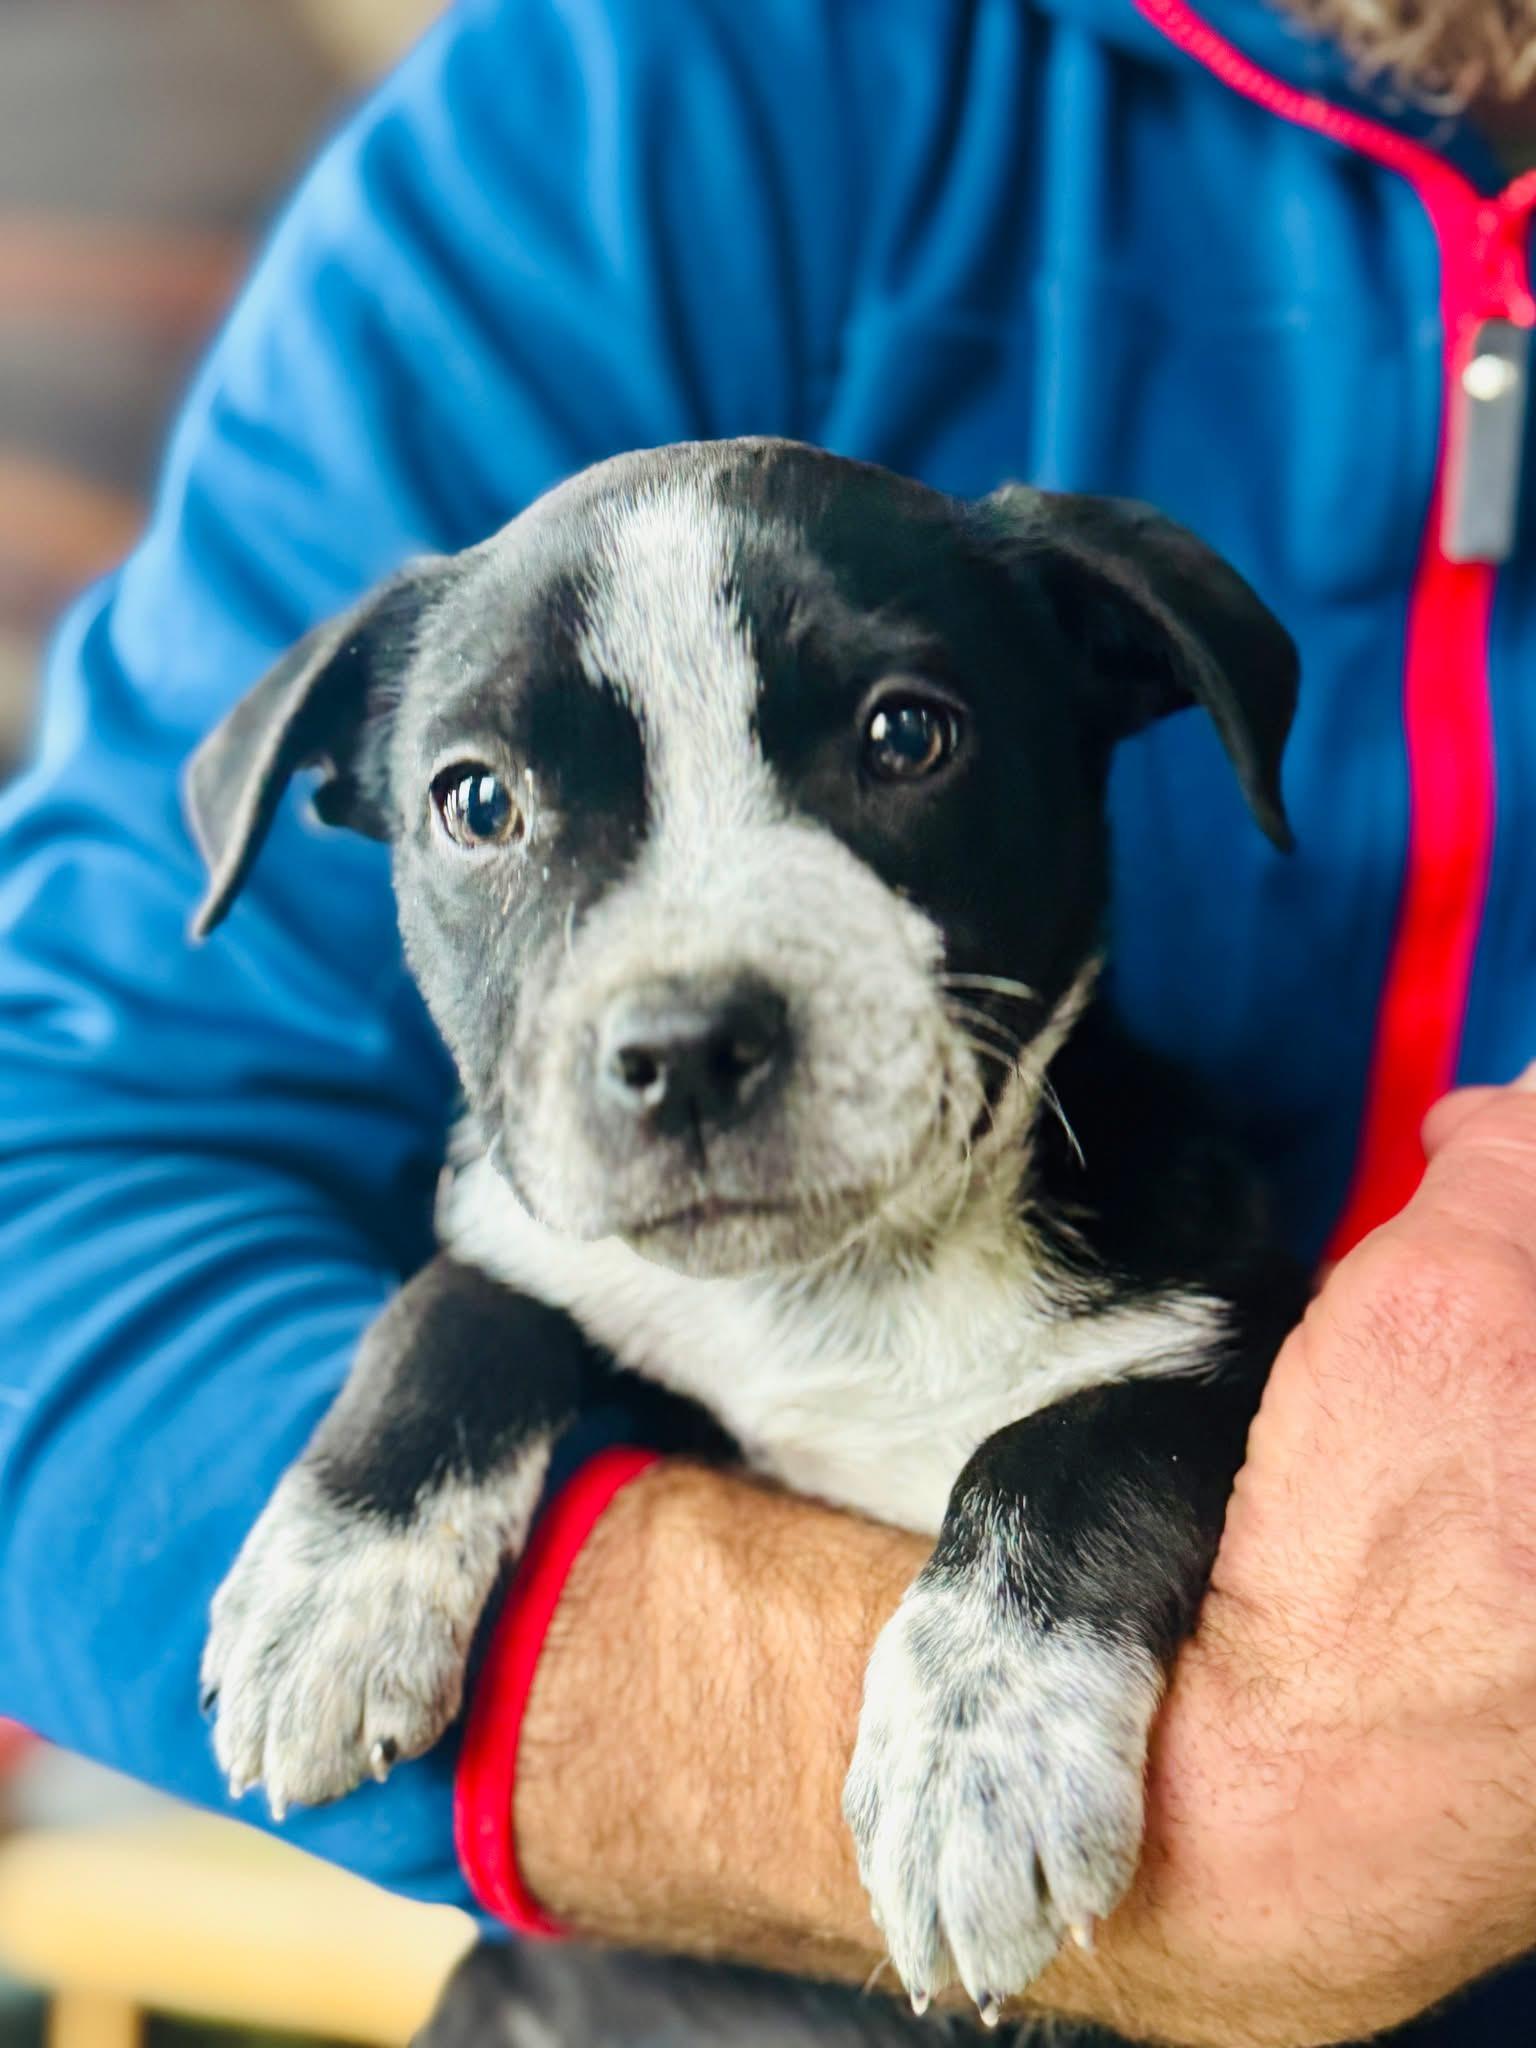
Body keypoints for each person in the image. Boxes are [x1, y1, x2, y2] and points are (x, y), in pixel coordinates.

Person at [2, 0, 1534, 2039]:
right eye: (490, 806)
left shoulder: (1153, 1256)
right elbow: (65, 1151)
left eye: (896, 735)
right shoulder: (674, 91)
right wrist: (1245, 1820)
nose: (686, 998)